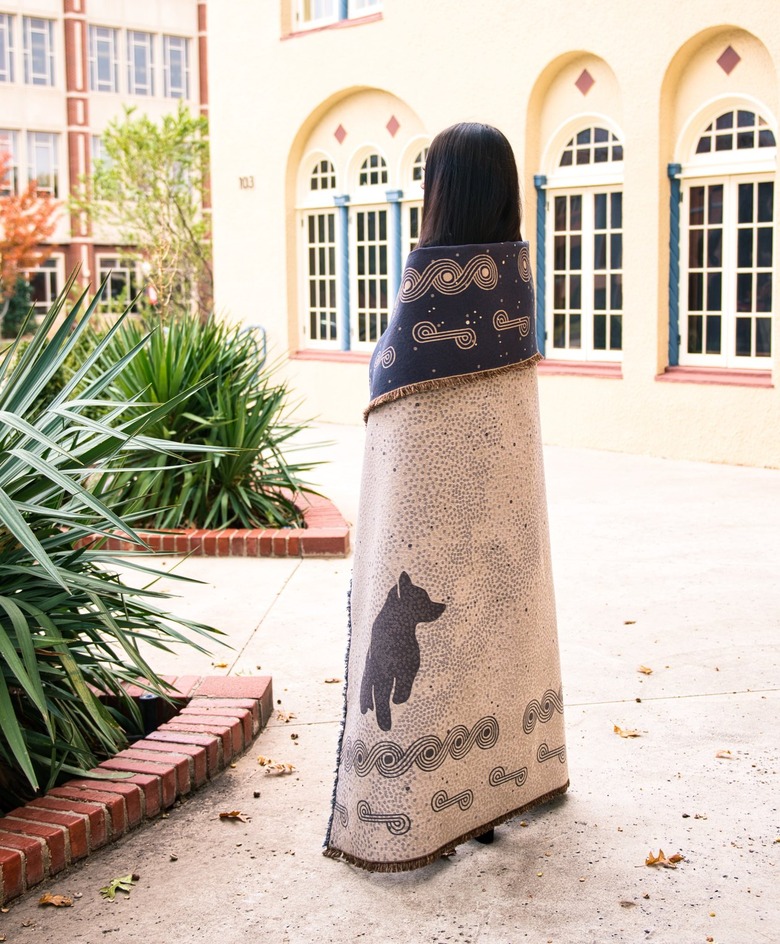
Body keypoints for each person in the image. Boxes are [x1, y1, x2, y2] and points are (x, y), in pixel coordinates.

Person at [324, 122, 568, 872]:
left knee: (418, 655)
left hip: (424, 531)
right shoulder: (517, 291)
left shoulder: (426, 299)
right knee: (493, 638)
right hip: (505, 519)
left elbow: (394, 420)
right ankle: (498, 787)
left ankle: (419, 810)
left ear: (439, 192)